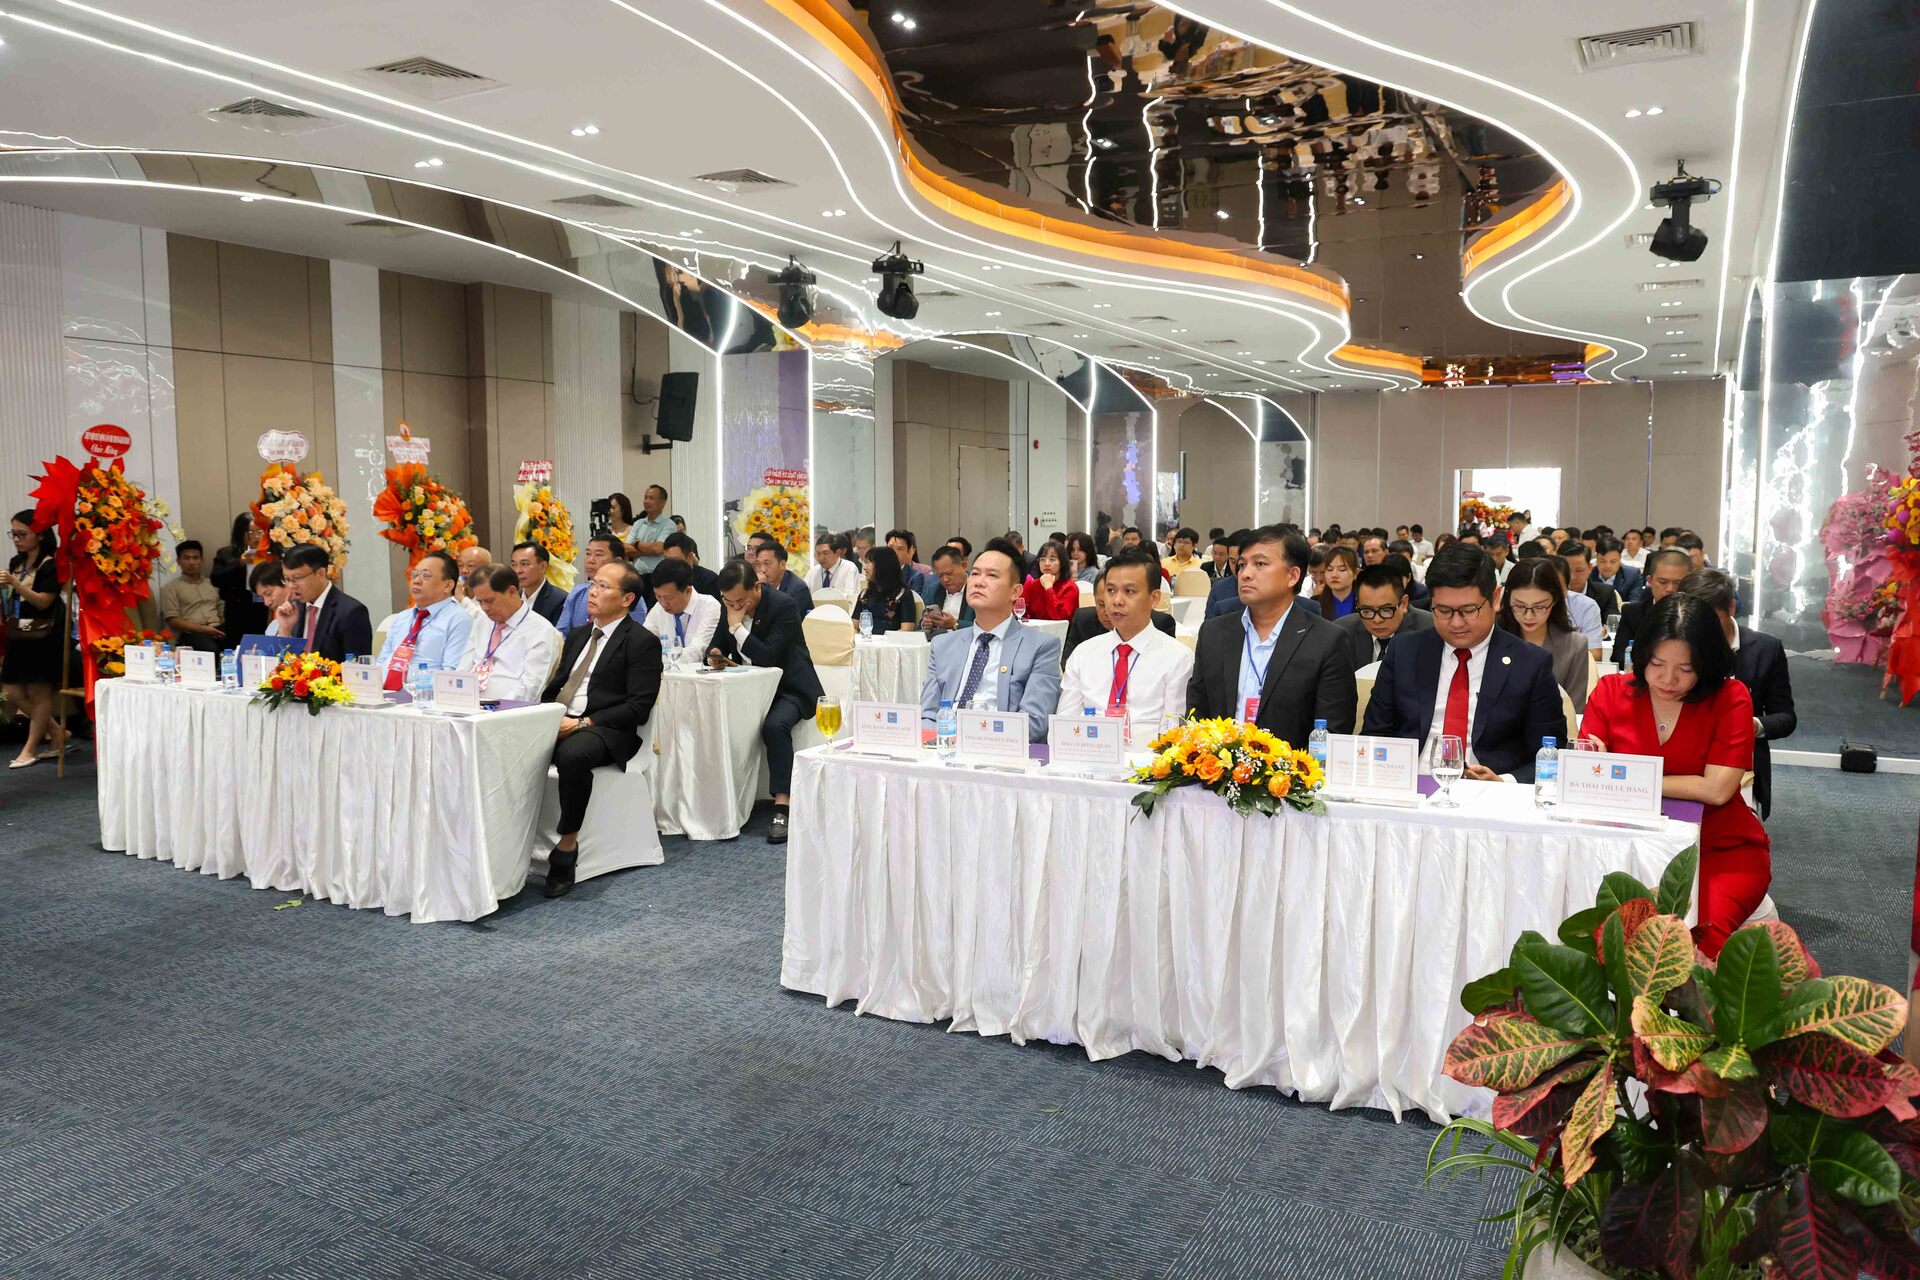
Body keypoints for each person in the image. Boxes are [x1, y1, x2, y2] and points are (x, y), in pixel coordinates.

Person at [1578, 595, 1768, 956]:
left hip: (1716, 849)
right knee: (1606, 943)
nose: (1668, 679)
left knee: (1694, 944)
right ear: (1641, 655)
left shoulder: (1730, 698)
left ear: (1707, 664)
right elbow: (1588, 775)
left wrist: (1625, 779)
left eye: (1685, 668)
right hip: (1625, 847)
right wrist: (1614, 778)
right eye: (1656, 664)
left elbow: (1717, 790)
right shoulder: (1611, 692)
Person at [1361, 543, 1563, 782]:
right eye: (1443, 610)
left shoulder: (1530, 664)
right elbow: (1375, 735)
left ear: (1495, 598)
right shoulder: (1404, 652)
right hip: (1410, 785)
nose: (1456, 623)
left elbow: (1552, 755)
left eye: (1468, 610)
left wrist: (1504, 782)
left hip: (1490, 792)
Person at [541, 560, 662, 898]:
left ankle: (566, 846)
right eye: (593, 583)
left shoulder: (642, 641)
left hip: (605, 728)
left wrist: (583, 722)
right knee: (504, 742)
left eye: (603, 586)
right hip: (560, 718)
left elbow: (638, 707)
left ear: (627, 599)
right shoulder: (580, 635)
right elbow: (557, 686)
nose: (592, 592)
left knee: (573, 755)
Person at [1186, 526, 1355, 743]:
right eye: (1242, 564)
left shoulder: (1327, 641)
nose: (1245, 574)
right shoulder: (1214, 632)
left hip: (1293, 762)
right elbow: (1196, 714)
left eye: (1260, 564)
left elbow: (1332, 730)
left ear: (1292, 576)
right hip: (1216, 761)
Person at [707, 559, 823, 844]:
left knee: (774, 726)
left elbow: (769, 656)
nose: (735, 606)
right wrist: (715, 654)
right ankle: (722, 801)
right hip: (746, 690)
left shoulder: (784, 605)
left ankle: (782, 804)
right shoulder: (729, 605)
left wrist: (737, 628)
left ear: (756, 587)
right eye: (728, 602)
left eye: (741, 601)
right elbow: (716, 643)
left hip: (789, 688)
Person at [1681, 568, 1795, 820]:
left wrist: (1751, 725)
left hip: (1741, 769)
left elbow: (1786, 718)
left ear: (1731, 607)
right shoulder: (1677, 643)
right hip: (1682, 762)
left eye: (1712, 620)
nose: (1703, 630)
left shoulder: (1765, 648)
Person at [920, 538, 1061, 741]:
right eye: (975, 573)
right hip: (943, 748)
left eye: (992, 575)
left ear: (1015, 591)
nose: (978, 582)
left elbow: (1033, 722)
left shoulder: (1041, 646)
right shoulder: (943, 645)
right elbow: (928, 715)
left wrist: (970, 739)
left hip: (998, 748)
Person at [1060, 550, 1192, 734]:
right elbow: (1064, 726)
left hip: (1149, 752)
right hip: (1089, 750)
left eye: (1129, 591)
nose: (1117, 601)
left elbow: (1173, 733)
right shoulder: (1083, 654)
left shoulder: (1178, 658)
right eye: (1111, 590)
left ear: (1154, 598)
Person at [2, 513, 67, 767]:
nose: (17, 539)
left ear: (39, 534)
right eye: (13, 534)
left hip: (44, 634)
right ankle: (57, 732)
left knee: (39, 692)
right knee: (10, 691)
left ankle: (29, 750)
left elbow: (43, 602)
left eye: (22, 534)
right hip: (19, 631)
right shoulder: (16, 561)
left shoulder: (51, 564)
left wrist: (16, 584)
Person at [455, 564, 561, 702]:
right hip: (469, 704)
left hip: (507, 709)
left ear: (511, 591)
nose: (485, 608)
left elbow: (530, 689)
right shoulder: (482, 622)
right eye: (480, 602)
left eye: (489, 601)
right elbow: (463, 668)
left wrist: (493, 707)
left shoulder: (540, 631)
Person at [1495, 557, 1590, 711]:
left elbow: (1575, 710)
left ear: (1555, 601)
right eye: (1519, 606)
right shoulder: (1493, 639)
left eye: (1539, 607)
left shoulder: (1575, 645)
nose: (1528, 616)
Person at [371, 552, 471, 690]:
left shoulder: (459, 619)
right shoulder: (402, 617)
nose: (416, 581)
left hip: (424, 697)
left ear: (448, 586)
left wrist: (410, 690)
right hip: (384, 693)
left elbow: (451, 675)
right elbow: (382, 662)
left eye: (426, 575)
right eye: (414, 575)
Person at [1062, 566, 1177, 662]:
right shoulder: (1083, 620)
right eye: (1102, 604)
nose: (1109, 610)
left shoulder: (1160, 623)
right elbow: (1068, 663)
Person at [281, 543, 371, 663]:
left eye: (297, 578)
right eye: (287, 579)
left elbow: (357, 667)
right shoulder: (295, 609)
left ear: (321, 573)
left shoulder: (351, 612)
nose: (291, 586)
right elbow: (285, 664)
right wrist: (285, 629)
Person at [1334, 563, 1432, 670]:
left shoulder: (1429, 631)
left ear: (1404, 603)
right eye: (1367, 611)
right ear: (1358, 605)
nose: (1377, 620)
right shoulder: (1342, 633)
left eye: (1386, 610)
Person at [1611, 548, 1692, 664]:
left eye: (1678, 583)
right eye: (1663, 582)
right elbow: (1618, 655)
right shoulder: (1633, 612)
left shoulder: (1698, 614)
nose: (1670, 589)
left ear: (1689, 582)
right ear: (1650, 581)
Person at [557, 535, 646, 634]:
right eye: (588, 554)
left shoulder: (629, 598)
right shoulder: (578, 592)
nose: (590, 560)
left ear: (618, 561)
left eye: (598, 555)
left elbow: (634, 635)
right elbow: (561, 633)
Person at [642, 555, 720, 658]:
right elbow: (643, 644)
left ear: (688, 591)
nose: (663, 603)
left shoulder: (709, 606)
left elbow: (697, 652)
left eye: (669, 598)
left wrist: (657, 657)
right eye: (658, 596)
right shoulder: (658, 607)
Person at [158, 540, 226, 653]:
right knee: (210, 649)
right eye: (186, 558)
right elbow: (173, 621)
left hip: (217, 628)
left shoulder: (212, 583)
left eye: (195, 558)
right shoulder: (170, 588)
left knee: (241, 642)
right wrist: (202, 629)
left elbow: (221, 610)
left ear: (202, 560)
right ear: (178, 561)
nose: (191, 562)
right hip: (191, 633)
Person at [210, 515, 266, 641]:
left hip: (264, 605)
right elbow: (215, 579)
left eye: (259, 531)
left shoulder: (269, 552)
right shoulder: (227, 553)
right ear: (241, 533)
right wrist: (239, 563)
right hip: (237, 606)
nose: (256, 536)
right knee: (237, 643)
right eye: (250, 532)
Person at [855, 546, 920, 634]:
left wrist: (884, 640)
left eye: (868, 563)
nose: (864, 568)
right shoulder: (864, 595)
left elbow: (907, 629)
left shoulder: (902, 595)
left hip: (892, 641)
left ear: (882, 566)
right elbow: (854, 625)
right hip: (866, 640)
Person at [918, 545, 974, 634]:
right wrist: (925, 623)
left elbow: (986, 626)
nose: (945, 579)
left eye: (949, 573)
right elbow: (920, 624)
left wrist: (955, 624)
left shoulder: (977, 589)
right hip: (937, 639)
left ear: (964, 566)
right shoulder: (933, 590)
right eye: (940, 575)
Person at [1019, 540, 1080, 621]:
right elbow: (1019, 611)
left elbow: (1060, 617)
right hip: (1034, 628)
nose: (1046, 563)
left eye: (1052, 559)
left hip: (1061, 628)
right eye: (1042, 559)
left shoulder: (1070, 587)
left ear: (1062, 563)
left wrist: (1049, 589)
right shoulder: (1032, 585)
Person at [622, 484, 675, 574]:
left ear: (662, 503)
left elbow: (657, 549)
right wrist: (649, 551)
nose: (646, 501)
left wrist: (636, 543)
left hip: (658, 575)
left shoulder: (668, 524)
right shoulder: (638, 523)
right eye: (645, 498)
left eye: (651, 498)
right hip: (638, 575)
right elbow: (626, 549)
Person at [1559, 540, 1619, 620]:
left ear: (1590, 568)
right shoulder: (1551, 594)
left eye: (1579, 570)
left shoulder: (1605, 593)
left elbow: (1612, 623)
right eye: (1567, 571)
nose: (1573, 577)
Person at [513, 542, 569, 627]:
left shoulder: (560, 600)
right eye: (514, 565)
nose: (518, 571)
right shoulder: (513, 598)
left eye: (524, 564)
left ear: (543, 566)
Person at [751, 540, 814, 614]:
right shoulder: (757, 586)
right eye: (758, 564)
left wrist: (765, 591)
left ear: (782, 565)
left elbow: (781, 618)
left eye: (767, 563)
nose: (762, 569)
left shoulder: (797, 589)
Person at [661, 531, 720, 598]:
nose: (669, 564)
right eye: (666, 559)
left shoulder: (708, 580)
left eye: (675, 560)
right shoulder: (662, 578)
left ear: (690, 557)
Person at [1593, 536, 1644, 605]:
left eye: (1613, 561)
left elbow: (1634, 604)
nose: (1608, 566)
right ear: (1596, 558)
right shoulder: (1587, 575)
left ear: (1620, 559)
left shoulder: (1633, 575)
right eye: (1603, 561)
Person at [1313, 544, 1360, 620]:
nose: (1334, 575)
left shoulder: (1366, 603)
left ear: (1356, 573)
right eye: (1330, 569)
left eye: (1342, 569)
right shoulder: (1315, 604)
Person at [251, 561, 293, 636]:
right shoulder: (272, 628)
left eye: (268, 594)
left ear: (286, 582)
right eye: (262, 598)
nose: (267, 603)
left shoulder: (310, 616)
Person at [885, 529, 933, 594]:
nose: (894, 552)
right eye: (891, 548)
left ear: (908, 551)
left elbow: (914, 599)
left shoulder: (915, 576)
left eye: (900, 549)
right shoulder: (878, 571)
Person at [455, 544, 493, 618]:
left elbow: (487, 620)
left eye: (470, 565)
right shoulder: (456, 591)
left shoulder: (494, 593)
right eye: (460, 565)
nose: (463, 571)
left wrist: (462, 600)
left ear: (487, 569)